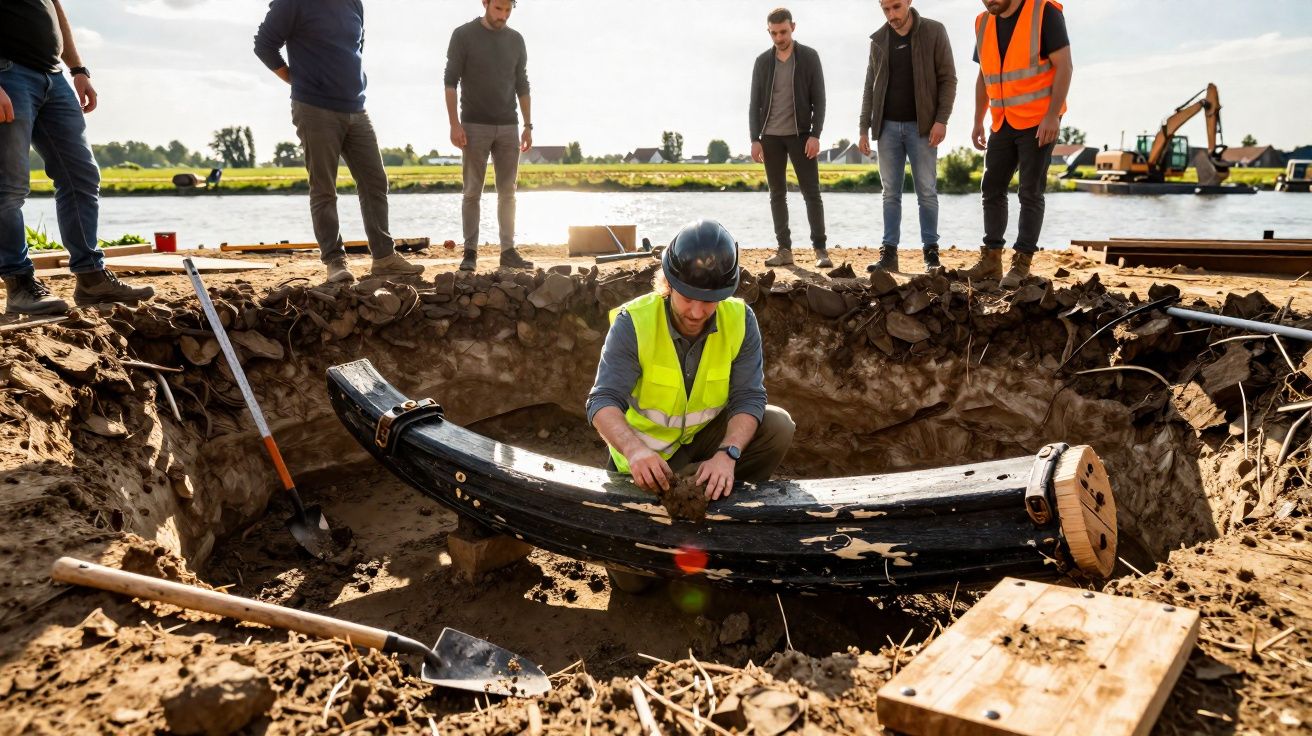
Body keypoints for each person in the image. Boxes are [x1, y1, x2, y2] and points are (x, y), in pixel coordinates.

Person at [588, 220, 795, 501]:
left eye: (709, 301)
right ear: (668, 285)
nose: (697, 313)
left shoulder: (740, 320)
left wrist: (727, 454)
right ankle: (682, 488)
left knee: (777, 426)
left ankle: (717, 494)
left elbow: (748, 397)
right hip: (647, 460)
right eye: (687, 298)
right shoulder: (634, 322)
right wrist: (634, 451)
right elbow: (603, 401)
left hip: (703, 441)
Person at [254, 0, 424, 285]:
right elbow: (264, 45)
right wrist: (296, 80)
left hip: (356, 108)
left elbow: (357, 48)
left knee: (375, 181)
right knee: (324, 187)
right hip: (314, 107)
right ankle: (334, 261)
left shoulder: (354, 3)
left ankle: (384, 257)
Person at [0, 0, 154, 315]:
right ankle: (19, 285)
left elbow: (55, 9)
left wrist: (78, 68)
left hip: (53, 77)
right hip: (7, 72)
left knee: (81, 176)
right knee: (10, 186)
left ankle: (92, 278)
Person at [963, 0, 1072, 288]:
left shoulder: (1044, 11)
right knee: (992, 187)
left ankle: (1021, 263)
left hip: (1039, 121)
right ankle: (991, 261)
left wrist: (1052, 115)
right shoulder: (982, 22)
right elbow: (983, 76)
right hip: (1002, 120)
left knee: (1030, 191)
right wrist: (978, 119)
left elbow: (1065, 66)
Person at [859, 0, 956, 274]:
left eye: (896, 7)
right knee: (890, 193)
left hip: (923, 127)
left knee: (926, 191)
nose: (892, 15)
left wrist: (941, 120)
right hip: (886, 128)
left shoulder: (934, 32)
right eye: (886, 9)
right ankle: (889, 254)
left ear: (909, 2)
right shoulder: (878, 40)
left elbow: (948, 78)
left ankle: (931, 254)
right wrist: (863, 128)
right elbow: (870, 86)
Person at [445, 0, 534, 272]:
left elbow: (522, 83)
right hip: (473, 126)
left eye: (508, 10)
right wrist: (454, 124)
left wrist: (528, 125)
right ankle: (470, 252)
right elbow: (450, 81)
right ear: (485, 3)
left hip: (509, 126)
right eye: (498, 9)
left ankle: (508, 251)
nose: (503, 16)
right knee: (472, 191)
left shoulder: (516, 40)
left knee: (508, 193)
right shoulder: (463, 35)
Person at [750, 8, 831, 270]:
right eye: (773, 33)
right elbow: (754, 104)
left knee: (812, 193)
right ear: (769, 31)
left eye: (783, 32)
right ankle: (784, 249)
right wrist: (755, 138)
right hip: (770, 136)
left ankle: (820, 249)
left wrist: (815, 134)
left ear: (792, 27)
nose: (779, 37)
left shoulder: (809, 57)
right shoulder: (762, 62)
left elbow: (819, 99)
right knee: (777, 194)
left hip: (801, 136)